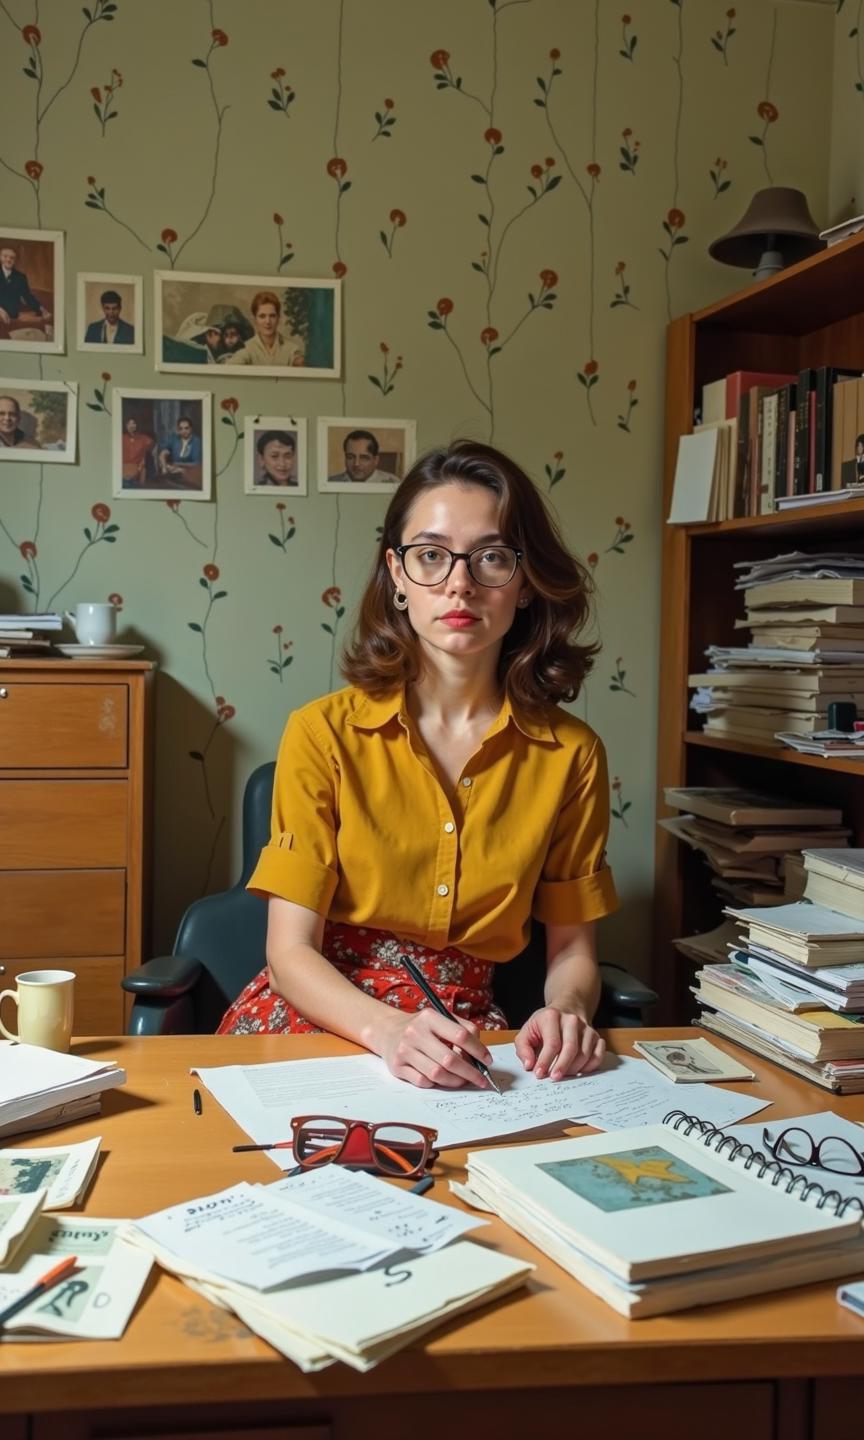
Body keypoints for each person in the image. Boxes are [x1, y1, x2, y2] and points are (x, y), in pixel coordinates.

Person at [219, 439, 618, 1090]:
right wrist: (388, 1030)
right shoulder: (321, 733)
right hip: (325, 1014)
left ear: (523, 583)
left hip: (461, 1026)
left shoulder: (572, 756)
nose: (459, 582)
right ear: (398, 576)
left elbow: (572, 949)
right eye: (431, 556)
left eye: (491, 557)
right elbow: (289, 953)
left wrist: (566, 1010)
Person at [222, 290, 304, 367]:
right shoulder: (247, 348)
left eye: (272, 316)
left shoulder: (291, 348)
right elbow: (228, 368)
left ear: (278, 318)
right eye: (262, 316)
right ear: (255, 320)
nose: (267, 321)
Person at [0, 241, 51, 329]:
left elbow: (28, 296)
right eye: (5, 256)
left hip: (13, 318)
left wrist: (42, 309)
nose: (8, 260)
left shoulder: (20, 277)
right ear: (0, 257)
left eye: (12, 258)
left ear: (15, 260)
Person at [328, 429, 395, 484]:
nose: (356, 464)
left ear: (376, 460)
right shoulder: (331, 482)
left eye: (364, 458)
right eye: (351, 457)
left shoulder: (393, 482)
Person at [121, 415, 154, 484]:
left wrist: (143, 461)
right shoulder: (121, 438)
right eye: (129, 423)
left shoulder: (143, 438)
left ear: (137, 425)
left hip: (137, 467)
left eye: (133, 423)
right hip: (123, 466)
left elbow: (152, 446)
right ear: (125, 425)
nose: (131, 425)